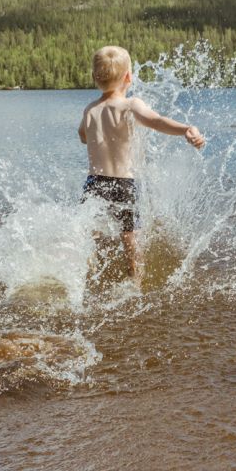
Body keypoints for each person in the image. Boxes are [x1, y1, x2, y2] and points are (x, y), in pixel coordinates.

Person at [79, 45, 205, 290]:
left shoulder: (90, 110)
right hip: (123, 183)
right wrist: (185, 129)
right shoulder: (130, 105)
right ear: (128, 76)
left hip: (94, 183)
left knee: (94, 235)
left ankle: (93, 277)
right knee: (130, 238)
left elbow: (83, 136)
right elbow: (156, 121)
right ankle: (134, 283)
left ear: (95, 77)